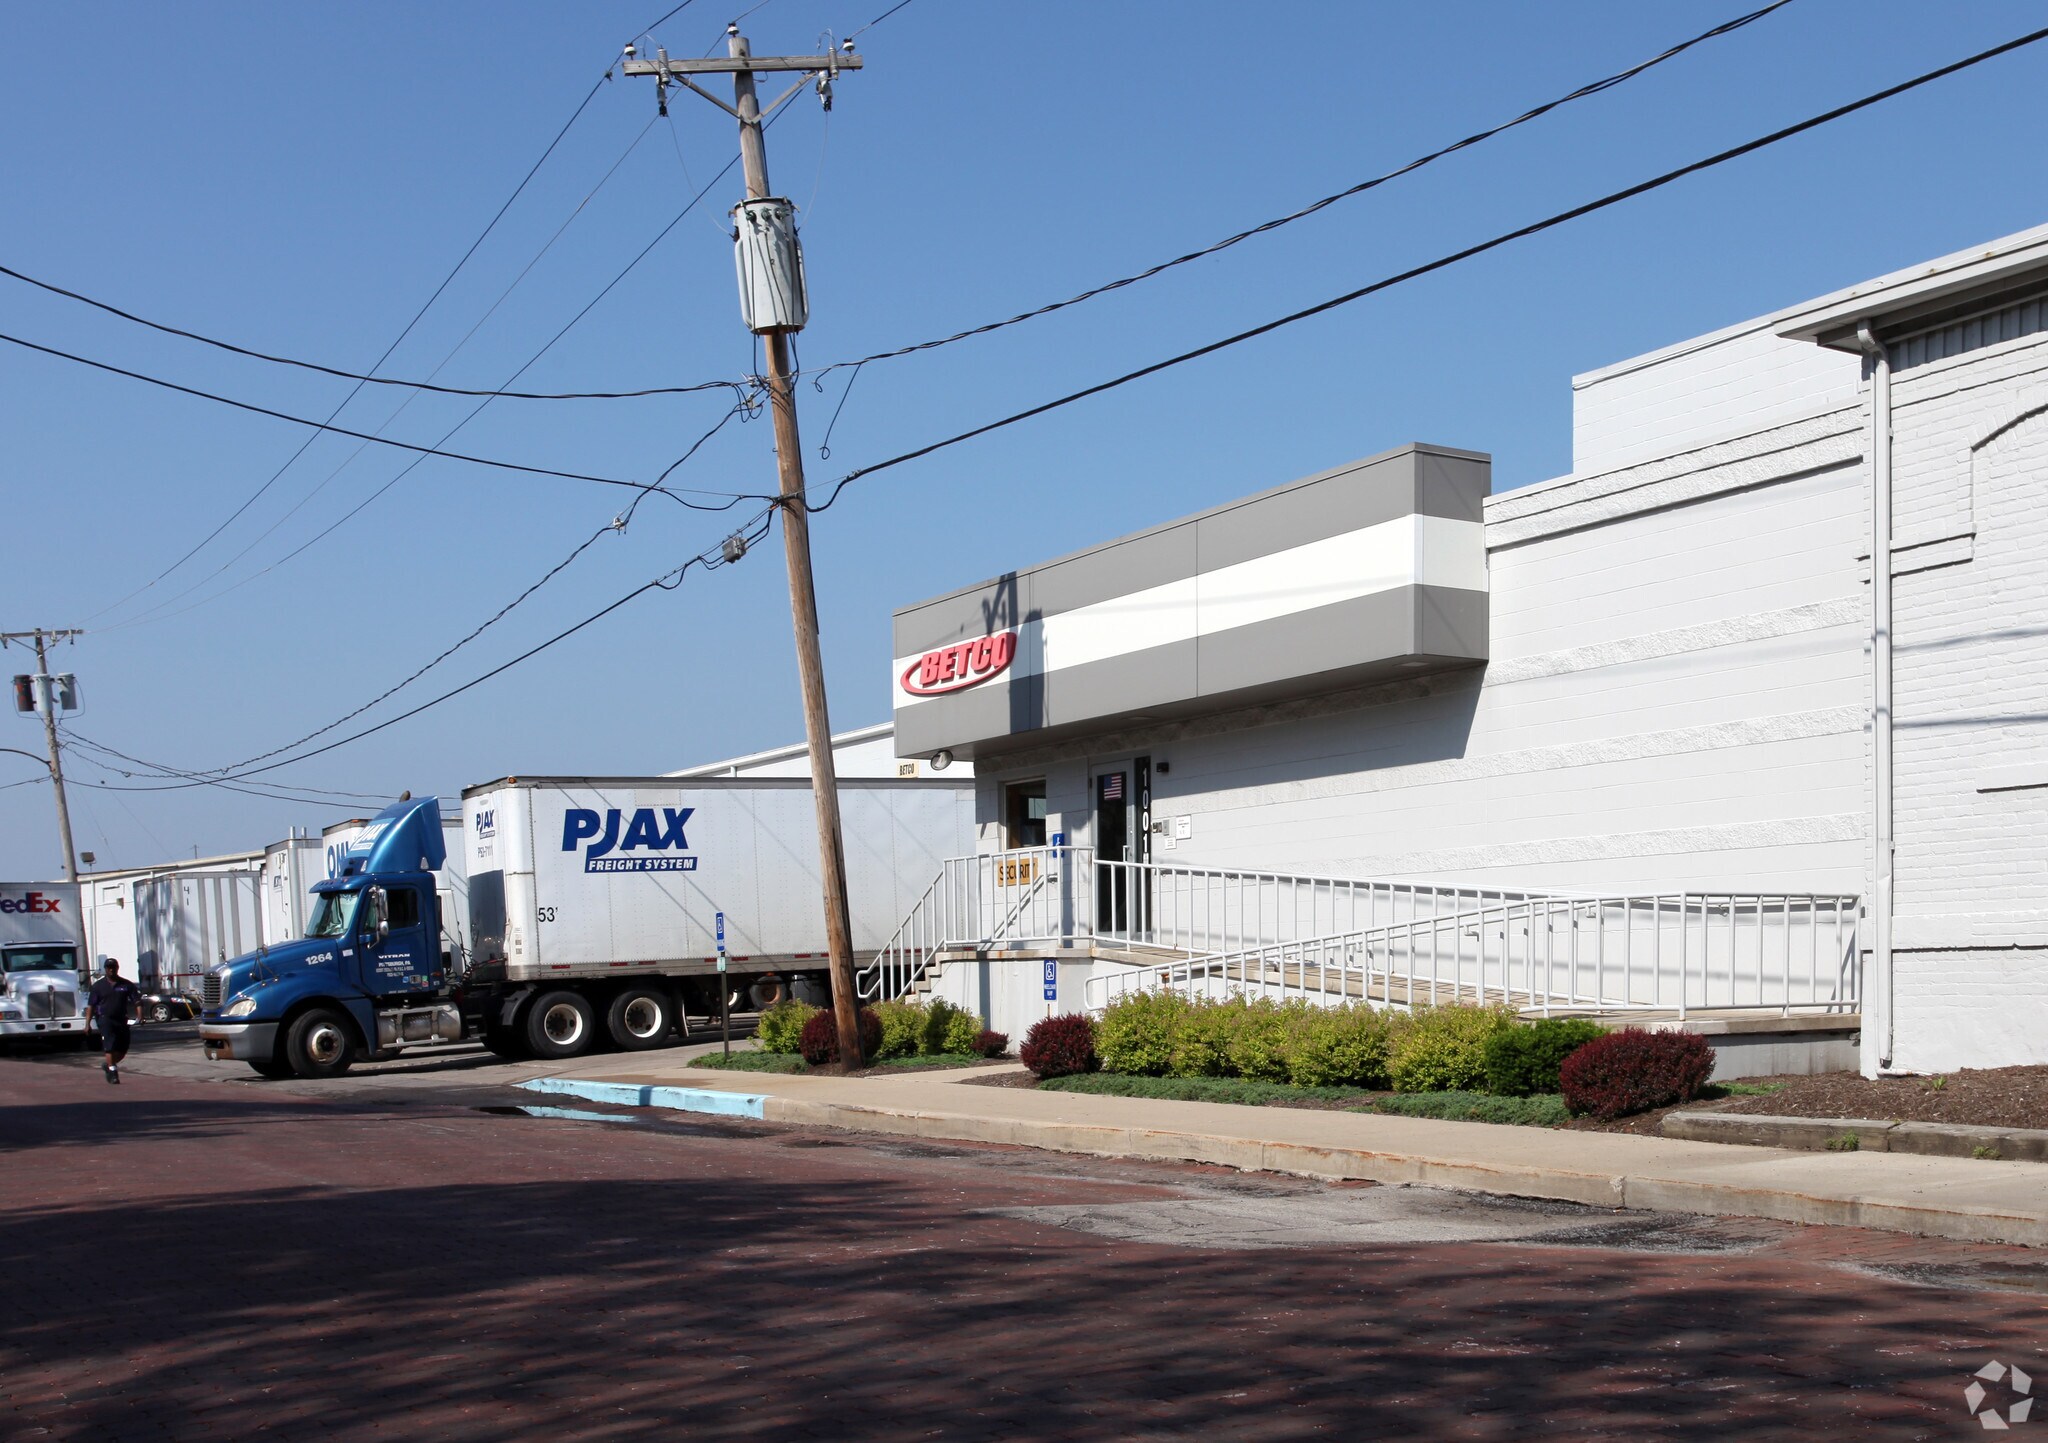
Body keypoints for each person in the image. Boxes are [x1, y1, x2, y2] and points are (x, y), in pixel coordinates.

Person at [85, 958, 138, 1085]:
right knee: (110, 1046)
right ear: (105, 969)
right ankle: (113, 1073)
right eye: (109, 967)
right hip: (104, 1019)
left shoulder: (126, 985)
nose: (111, 969)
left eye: (113, 967)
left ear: (117, 968)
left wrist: (140, 1016)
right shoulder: (98, 986)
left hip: (121, 1019)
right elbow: (91, 1006)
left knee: (122, 1049)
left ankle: (108, 1064)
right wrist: (87, 1024)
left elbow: (137, 1001)